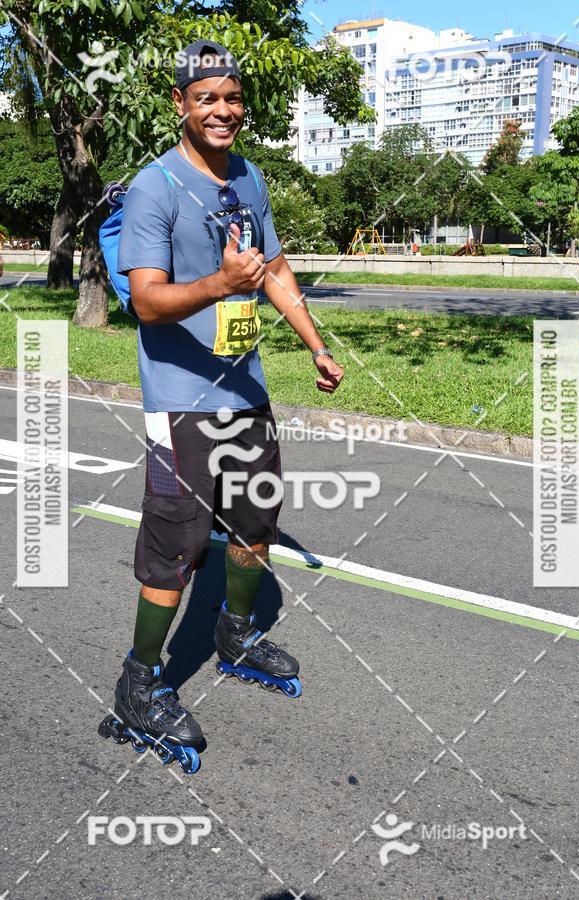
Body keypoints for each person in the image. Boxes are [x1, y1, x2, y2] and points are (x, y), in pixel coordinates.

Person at [99, 39, 343, 770]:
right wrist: (218, 285)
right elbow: (146, 301)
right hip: (181, 403)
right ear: (180, 105)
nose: (223, 110)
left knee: (256, 519)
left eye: (233, 98)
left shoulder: (250, 178)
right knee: (174, 543)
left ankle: (235, 633)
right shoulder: (155, 188)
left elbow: (272, 269)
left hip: (245, 390)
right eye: (207, 98)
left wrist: (315, 343)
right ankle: (139, 684)